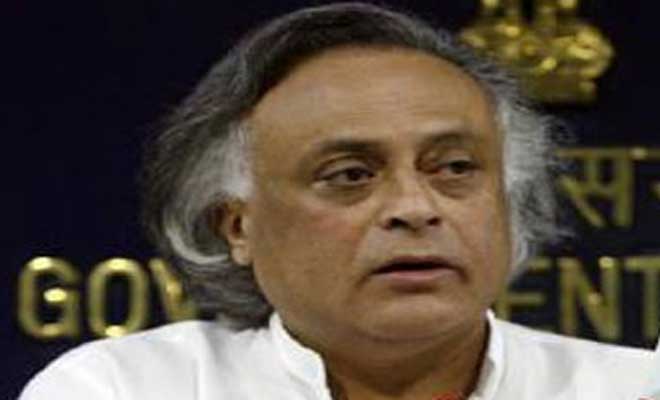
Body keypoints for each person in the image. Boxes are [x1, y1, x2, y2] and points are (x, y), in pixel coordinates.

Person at [20, 2, 653, 400]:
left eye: (455, 168)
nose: (414, 207)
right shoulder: (123, 389)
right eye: (350, 175)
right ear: (237, 225)